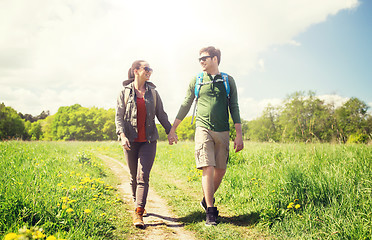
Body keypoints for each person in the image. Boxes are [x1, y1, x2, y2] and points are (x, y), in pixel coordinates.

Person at [168, 46, 244, 226]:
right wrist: (173, 129)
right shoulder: (197, 80)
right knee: (207, 166)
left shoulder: (227, 80)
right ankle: (210, 210)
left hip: (223, 130)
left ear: (215, 59)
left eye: (205, 58)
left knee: (221, 169)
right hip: (203, 128)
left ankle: (205, 199)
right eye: (199, 59)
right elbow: (186, 103)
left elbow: (234, 106)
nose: (201, 61)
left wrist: (239, 134)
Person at [115, 60, 173, 229]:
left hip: (149, 140)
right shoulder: (124, 92)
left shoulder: (153, 93)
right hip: (131, 140)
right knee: (134, 176)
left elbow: (161, 114)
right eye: (146, 69)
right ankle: (137, 202)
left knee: (142, 175)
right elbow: (119, 116)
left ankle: (138, 212)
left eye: (151, 69)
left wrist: (170, 131)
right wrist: (122, 135)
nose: (149, 72)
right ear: (136, 71)